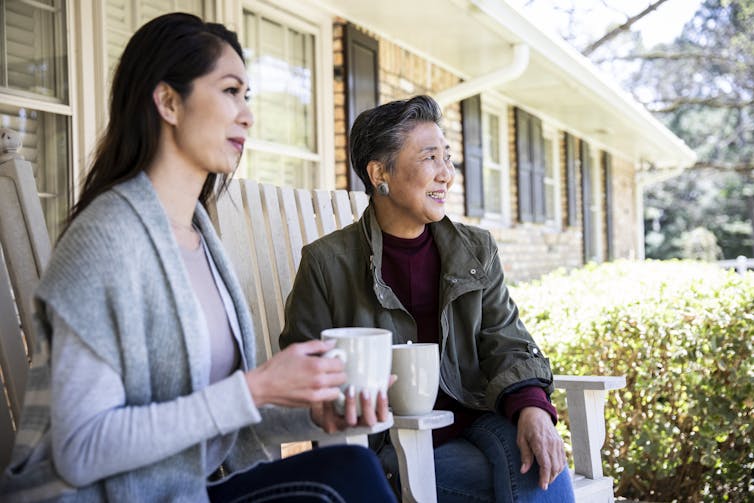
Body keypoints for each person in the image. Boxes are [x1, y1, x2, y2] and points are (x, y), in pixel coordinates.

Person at [0, 12, 396, 503]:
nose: (247, 114)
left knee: (349, 463)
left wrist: (312, 416)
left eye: (247, 96)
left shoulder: (198, 235)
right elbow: (81, 448)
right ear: (168, 101)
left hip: (193, 488)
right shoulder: (106, 239)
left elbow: (207, 413)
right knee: (347, 479)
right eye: (230, 91)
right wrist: (255, 388)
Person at [280, 95, 575, 502]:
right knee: (525, 477)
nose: (446, 175)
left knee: (538, 460)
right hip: (392, 442)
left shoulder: (475, 249)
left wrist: (532, 408)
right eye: (430, 158)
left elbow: (505, 339)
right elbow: (305, 372)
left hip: (478, 417)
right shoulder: (327, 264)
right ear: (380, 171)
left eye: (447, 158)